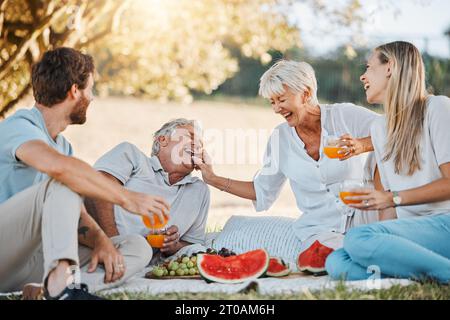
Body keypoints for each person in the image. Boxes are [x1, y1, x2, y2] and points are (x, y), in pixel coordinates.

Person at [0, 47, 170, 299]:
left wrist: (101, 241)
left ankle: (53, 290)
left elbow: (70, 208)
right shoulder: (19, 126)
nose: (92, 98)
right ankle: (62, 289)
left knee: (136, 248)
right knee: (63, 182)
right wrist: (128, 198)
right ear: (74, 91)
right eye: (90, 89)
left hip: (32, 261)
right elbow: (60, 169)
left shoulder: (63, 147)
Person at [193, 59, 380, 273]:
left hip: (365, 213)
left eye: (281, 99)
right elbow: (262, 191)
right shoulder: (280, 139)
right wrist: (213, 179)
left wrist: (361, 145)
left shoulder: (346, 116)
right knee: (340, 259)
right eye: (272, 102)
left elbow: (394, 132)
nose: (276, 109)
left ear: (306, 93)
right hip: (320, 230)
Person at [325, 41, 450, 284]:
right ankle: (423, 268)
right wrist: (381, 216)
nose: (362, 76)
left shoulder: (437, 108)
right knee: (338, 262)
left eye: (369, 67)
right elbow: (387, 209)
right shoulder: (380, 129)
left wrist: (392, 197)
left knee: (357, 240)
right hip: (409, 231)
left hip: (445, 223)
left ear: (390, 67)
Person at [85, 119, 210, 262]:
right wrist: (113, 242)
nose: (197, 145)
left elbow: (193, 244)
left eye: (201, 144)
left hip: (139, 258)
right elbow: (98, 186)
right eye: (190, 137)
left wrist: (174, 245)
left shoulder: (199, 190)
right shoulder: (131, 155)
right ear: (163, 140)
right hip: (98, 242)